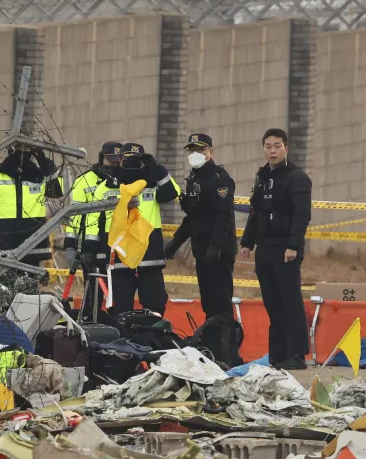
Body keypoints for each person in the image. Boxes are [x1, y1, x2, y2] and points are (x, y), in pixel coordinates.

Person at [239, 128, 312, 369]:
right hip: (265, 247)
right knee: (272, 301)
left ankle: (296, 354)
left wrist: (293, 245)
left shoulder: (297, 178)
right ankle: (278, 354)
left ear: (286, 149)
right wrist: (247, 242)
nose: (272, 151)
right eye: (268, 146)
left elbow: (301, 215)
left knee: (290, 300)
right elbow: (256, 211)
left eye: (277, 146)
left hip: (285, 248)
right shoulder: (262, 177)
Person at [166, 132, 237, 320]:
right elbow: (193, 216)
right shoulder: (194, 179)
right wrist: (176, 242)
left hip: (219, 251)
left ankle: (224, 336)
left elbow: (224, 216)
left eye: (200, 150)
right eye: (192, 150)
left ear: (210, 152)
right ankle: (211, 334)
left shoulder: (219, 179)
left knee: (221, 300)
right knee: (208, 301)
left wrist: (216, 246)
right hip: (201, 249)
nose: (195, 154)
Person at [109, 142, 179, 316]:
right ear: (120, 159)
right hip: (122, 253)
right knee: (120, 307)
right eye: (127, 158)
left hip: (150, 254)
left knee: (155, 304)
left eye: (136, 159)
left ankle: (151, 332)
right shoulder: (112, 181)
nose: (132, 163)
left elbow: (171, 193)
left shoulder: (152, 179)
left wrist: (156, 168)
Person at [0, 143, 62, 265]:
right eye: (20, 148)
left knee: (30, 277)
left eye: (27, 148)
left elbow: (58, 191)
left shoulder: (39, 175)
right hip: (4, 245)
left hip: (33, 243)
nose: (23, 153)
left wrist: (44, 161)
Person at [63, 141, 123, 316]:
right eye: (111, 159)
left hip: (121, 242)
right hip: (92, 243)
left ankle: (116, 323)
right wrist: (70, 244)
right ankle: (90, 320)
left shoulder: (126, 179)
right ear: (102, 157)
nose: (115, 164)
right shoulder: (84, 180)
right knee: (93, 291)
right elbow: (75, 214)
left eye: (118, 160)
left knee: (119, 291)